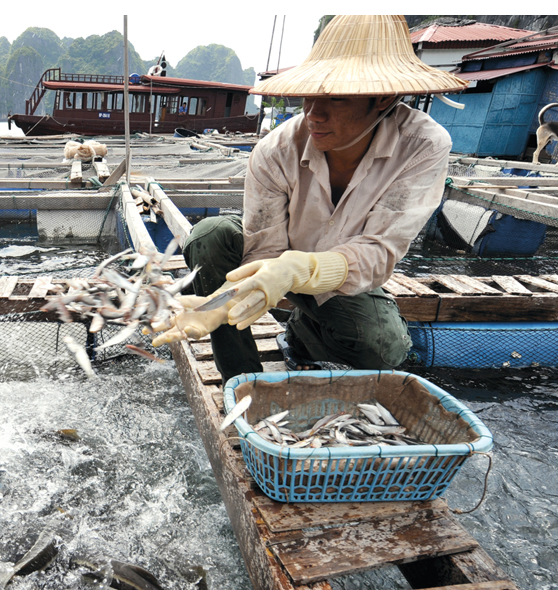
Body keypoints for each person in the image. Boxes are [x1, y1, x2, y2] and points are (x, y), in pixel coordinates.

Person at [151, 15, 468, 384]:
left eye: (334, 97)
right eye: (309, 96)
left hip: (345, 270)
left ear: (383, 98)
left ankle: (302, 335)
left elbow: (380, 250)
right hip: (277, 253)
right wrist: (221, 302)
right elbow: (264, 246)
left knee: (384, 349)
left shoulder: (423, 144)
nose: (314, 114)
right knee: (210, 234)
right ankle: (241, 379)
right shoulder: (276, 148)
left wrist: (302, 270)